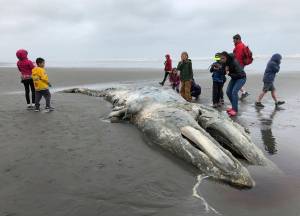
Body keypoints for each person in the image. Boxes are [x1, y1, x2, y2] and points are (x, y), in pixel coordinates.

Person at [219, 51, 246, 117]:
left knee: (234, 92)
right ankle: (234, 107)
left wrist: (229, 73)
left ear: (226, 58)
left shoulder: (234, 62)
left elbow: (239, 74)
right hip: (234, 78)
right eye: (220, 58)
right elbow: (223, 72)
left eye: (222, 58)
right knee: (228, 92)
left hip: (241, 78)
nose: (221, 60)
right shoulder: (224, 63)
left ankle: (235, 110)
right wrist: (223, 70)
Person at [233, 34, 250, 100]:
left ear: (238, 39)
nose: (233, 42)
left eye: (234, 40)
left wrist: (235, 67)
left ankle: (240, 94)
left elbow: (237, 58)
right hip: (241, 65)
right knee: (236, 80)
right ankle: (244, 92)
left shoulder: (239, 46)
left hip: (238, 66)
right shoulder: (241, 46)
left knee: (236, 81)